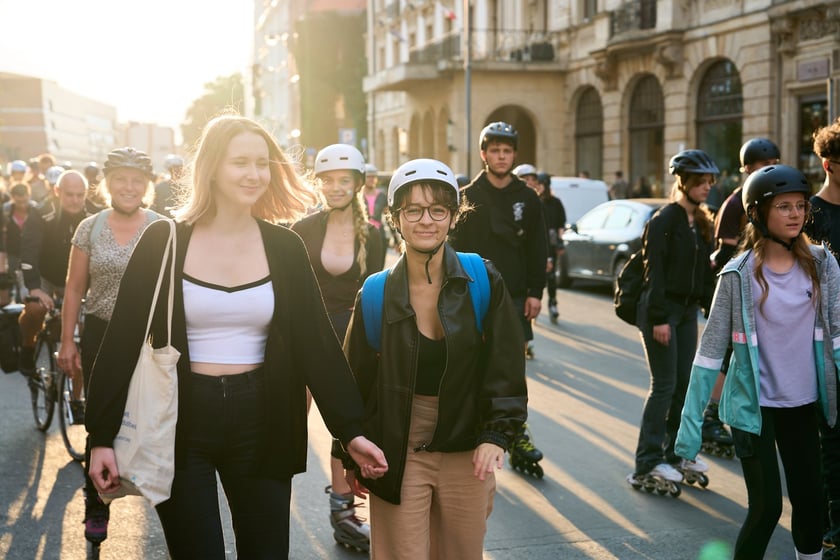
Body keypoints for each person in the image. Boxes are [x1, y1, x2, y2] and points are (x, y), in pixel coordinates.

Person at [84, 114, 388, 559]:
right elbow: (121, 342)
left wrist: (351, 432)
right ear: (211, 168)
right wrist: (101, 437)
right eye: (240, 162)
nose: (254, 174)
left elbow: (316, 345)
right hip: (180, 421)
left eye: (262, 163)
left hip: (264, 419)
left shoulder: (284, 247)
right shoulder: (163, 241)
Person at [342, 158, 528, 559]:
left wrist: (497, 435)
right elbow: (353, 383)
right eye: (413, 209)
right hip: (397, 443)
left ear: (453, 216)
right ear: (395, 218)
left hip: (467, 442)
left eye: (438, 209)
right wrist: (350, 454)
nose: (426, 220)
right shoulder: (375, 293)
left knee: (460, 552)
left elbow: (506, 365)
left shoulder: (482, 278)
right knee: (400, 553)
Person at [676, 164, 836, 560]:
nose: (796, 214)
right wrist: (690, 427)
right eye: (784, 207)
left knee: (811, 502)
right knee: (767, 508)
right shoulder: (738, 275)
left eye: (800, 205)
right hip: (753, 410)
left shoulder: (822, 265)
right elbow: (709, 351)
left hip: (802, 404)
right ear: (758, 213)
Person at [56, 147, 161, 549]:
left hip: (149, 338)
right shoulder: (90, 228)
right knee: (103, 422)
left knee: (156, 419)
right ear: (108, 183)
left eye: (137, 180)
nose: (129, 187)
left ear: (147, 186)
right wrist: (68, 341)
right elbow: (74, 287)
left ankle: (166, 500)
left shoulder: (162, 227)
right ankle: (97, 504)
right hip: (101, 332)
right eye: (121, 179)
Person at [291, 143, 383, 552]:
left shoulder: (375, 235)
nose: (334, 187)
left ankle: (342, 512)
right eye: (327, 180)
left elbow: (376, 293)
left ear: (358, 183)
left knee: (347, 425)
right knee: (287, 422)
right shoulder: (302, 229)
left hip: (351, 338)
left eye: (343, 180)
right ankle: (267, 492)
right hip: (304, 334)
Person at [450, 122, 547, 476]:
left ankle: (516, 432)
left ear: (514, 155)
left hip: (517, 295)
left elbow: (538, 247)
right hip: (474, 293)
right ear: (483, 154)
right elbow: (454, 250)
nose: (501, 156)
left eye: (507, 151)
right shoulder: (468, 196)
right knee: (471, 365)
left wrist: (537, 292)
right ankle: (473, 430)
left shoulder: (528, 198)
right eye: (495, 151)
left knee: (511, 369)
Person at [625, 149, 717, 490]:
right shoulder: (664, 220)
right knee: (663, 386)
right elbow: (655, 275)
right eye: (700, 181)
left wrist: (711, 310)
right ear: (683, 182)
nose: (707, 187)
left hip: (686, 312)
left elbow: (703, 276)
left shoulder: (702, 222)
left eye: (710, 181)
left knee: (683, 385)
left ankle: (675, 453)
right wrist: (661, 318)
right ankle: (647, 462)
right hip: (660, 313)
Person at [703, 139, 781, 457]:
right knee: (726, 352)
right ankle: (710, 415)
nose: (770, 169)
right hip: (737, 290)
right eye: (765, 165)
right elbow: (726, 256)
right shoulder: (736, 204)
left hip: (766, 291)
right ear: (747, 168)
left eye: (775, 162)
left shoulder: (773, 200)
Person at [806, 117, 840, 556]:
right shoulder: (810, 213)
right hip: (822, 343)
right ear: (831, 164)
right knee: (832, 435)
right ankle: (834, 525)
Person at [18, 170, 89, 377]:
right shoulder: (41, 212)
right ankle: (28, 346)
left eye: (80, 194)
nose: (75, 200)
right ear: (57, 191)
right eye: (69, 194)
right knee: (34, 309)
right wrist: (34, 288)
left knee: (87, 324)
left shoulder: (94, 212)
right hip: (45, 274)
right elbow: (28, 251)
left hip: (79, 277)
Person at [534, 172, 566, 324]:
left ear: (546, 186)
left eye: (540, 185)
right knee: (534, 276)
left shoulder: (555, 203)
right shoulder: (533, 201)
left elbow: (561, 224)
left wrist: (560, 241)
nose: (538, 187)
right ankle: (534, 302)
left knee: (551, 277)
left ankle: (552, 303)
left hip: (550, 243)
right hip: (534, 243)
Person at [3, 183, 37, 300]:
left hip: (31, 252)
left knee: (30, 280)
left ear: (29, 196)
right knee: (16, 280)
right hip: (13, 252)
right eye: (19, 202)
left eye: (24, 201)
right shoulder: (6, 210)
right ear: (12, 198)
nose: (22, 205)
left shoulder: (36, 210)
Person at [361, 162, 388, 268]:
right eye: (369, 177)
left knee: (379, 266)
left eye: (374, 177)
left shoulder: (382, 195)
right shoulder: (358, 196)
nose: (372, 179)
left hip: (379, 235)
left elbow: (389, 217)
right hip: (363, 234)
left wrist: (396, 241)